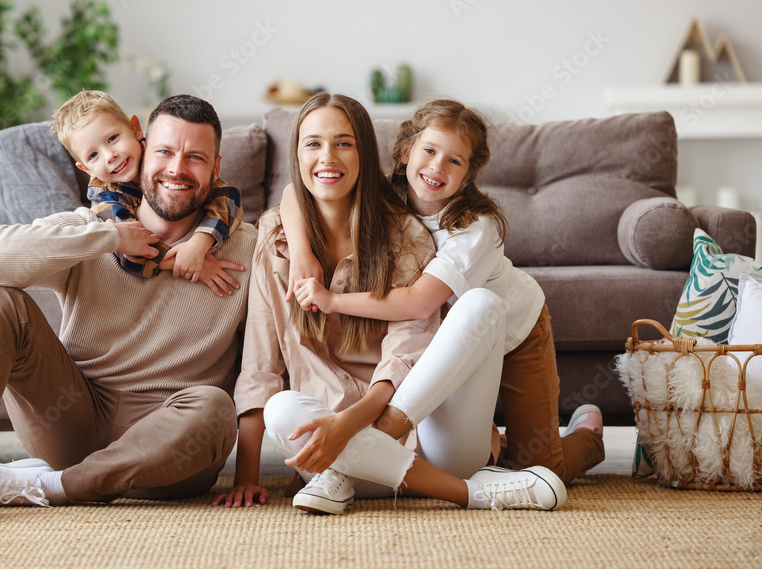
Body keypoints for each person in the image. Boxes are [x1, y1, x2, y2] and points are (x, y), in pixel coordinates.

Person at [0, 94, 257, 526]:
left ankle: (48, 485)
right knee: (0, 299)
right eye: (164, 152)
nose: (177, 169)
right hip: (72, 419)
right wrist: (111, 238)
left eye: (195, 157)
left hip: (171, 447)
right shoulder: (91, 227)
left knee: (215, 407)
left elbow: (261, 365)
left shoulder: (246, 248)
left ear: (215, 169)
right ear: (144, 151)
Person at [213, 93, 566, 516]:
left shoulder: (419, 232)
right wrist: (246, 477)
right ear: (404, 154)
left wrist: (352, 423)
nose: (328, 156)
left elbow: (414, 322)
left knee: (483, 308)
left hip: (425, 419)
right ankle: (464, 487)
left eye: (344, 143)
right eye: (313, 143)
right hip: (331, 442)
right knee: (281, 408)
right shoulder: (278, 236)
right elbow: (260, 363)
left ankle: (577, 438)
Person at [291, 99, 605, 485]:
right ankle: (496, 446)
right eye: (429, 151)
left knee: (540, 468)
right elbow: (294, 192)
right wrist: (301, 252)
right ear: (405, 152)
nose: (437, 167)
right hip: (451, 339)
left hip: (514, 332)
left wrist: (333, 300)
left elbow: (420, 302)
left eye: (454, 161)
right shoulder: (385, 195)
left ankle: (588, 438)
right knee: (474, 445)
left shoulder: (474, 228)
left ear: (469, 174)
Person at [52, 90, 243, 291]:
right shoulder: (105, 196)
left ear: (135, 129)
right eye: (93, 155)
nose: (110, 156)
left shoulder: (159, 153)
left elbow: (228, 197)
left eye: (112, 138)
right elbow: (132, 251)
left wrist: (200, 243)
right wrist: (187, 262)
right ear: (87, 170)